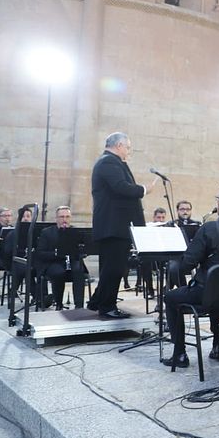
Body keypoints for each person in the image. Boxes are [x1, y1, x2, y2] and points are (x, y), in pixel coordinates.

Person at [162, 183, 219, 368]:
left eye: (217, 199)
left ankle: (180, 354)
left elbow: (186, 264)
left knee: (170, 298)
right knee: (218, 292)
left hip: (207, 295)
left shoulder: (209, 228)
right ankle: (217, 346)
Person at [90, 132, 154, 319]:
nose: (128, 151)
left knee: (111, 267)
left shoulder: (111, 162)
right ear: (119, 145)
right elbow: (120, 187)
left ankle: (97, 301)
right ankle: (107, 307)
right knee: (114, 268)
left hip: (114, 225)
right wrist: (144, 189)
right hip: (113, 225)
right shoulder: (109, 162)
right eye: (127, 147)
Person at [35, 206, 86, 310]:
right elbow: (40, 253)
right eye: (62, 217)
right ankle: (58, 303)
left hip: (71, 261)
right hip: (53, 262)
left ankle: (79, 306)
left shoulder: (75, 231)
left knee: (79, 270)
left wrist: (82, 252)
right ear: (56, 218)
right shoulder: (47, 232)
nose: (65, 219)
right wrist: (56, 253)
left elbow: (82, 249)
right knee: (58, 272)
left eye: (67, 217)